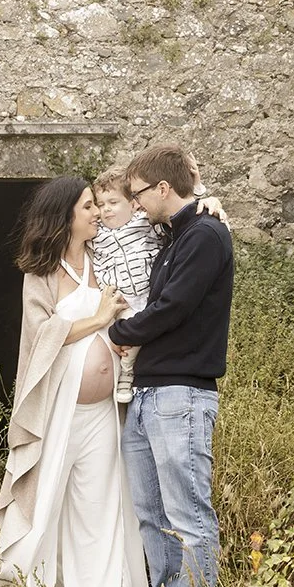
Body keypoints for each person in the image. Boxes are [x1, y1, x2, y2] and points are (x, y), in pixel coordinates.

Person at [0, 177, 148, 587]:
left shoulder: (107, 257)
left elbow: (156, 227)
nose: (97, 213)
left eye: (97, 205)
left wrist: (208, 201)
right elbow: (41, 335)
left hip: (103, 411)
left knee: (98, 508)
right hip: (58, 411)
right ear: (64, 216)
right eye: (87, 207)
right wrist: (97, 319)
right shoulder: (40, 274)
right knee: (44, 506)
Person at [107, 143, 234, 587]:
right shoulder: (177, 234)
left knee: (187, 512)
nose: (135, 204)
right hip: (148, 393)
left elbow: (172, 307)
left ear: (163, 188)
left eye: (139, 194)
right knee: (151, 514)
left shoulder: (205, 234)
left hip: (182, 393)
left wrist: (120, 331)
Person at [91, 162, 225, 405]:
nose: (106, 209)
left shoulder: (148, 225)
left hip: (177, 381)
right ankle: (126, 375)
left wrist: (203, 196)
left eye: (114, 202)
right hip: (123, 303)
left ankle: (126, 375)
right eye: (100, 204)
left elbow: (183, 219)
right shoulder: (98, 234)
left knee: (133, 338)